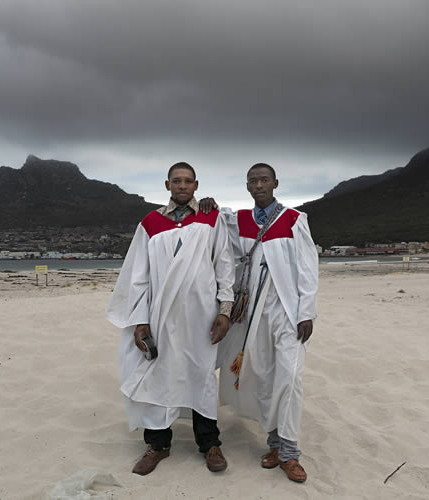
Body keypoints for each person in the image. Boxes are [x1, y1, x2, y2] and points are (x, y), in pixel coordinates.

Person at [106, 162, 235, 475]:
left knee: (201, 374)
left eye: (188, 181)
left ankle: (210, 443)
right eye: (176, 181)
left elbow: (225, 264)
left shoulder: (211, 217)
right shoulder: (150, 223)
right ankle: (158, 445)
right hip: (160, 316)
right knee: (158, 374)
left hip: (200, 315)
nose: (182, 186)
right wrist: (140, 320)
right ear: (167, 185)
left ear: (196, 185)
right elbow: (139, 276)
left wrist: (224, 310)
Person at [216, 163, 319, 483]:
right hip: (251, 315)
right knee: (261, 375)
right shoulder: (240, 221)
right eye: (253, 181)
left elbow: (307, 268)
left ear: (275, 183)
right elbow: (213, 229)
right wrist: (202, 202)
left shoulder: (293, 220)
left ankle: (289, 452)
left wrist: (306, 312)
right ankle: (274, 443)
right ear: (247, 186)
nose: (259, 185)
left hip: (286, 312)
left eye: (264, 180)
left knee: (289, 378)